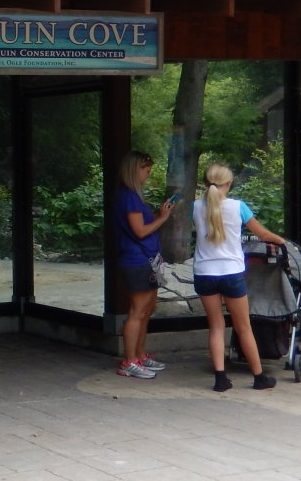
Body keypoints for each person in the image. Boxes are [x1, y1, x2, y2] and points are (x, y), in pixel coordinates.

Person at [191, 163, 284, 392]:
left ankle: (220, 379)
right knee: (243, 327)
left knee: (216, 326)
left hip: (204, 273)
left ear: (206, 183)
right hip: (231, 272)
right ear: (229, 184)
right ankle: (259, 377)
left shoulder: (195, 207)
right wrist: (281, 241)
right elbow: (261, 234)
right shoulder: (238, 207)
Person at [112, 150, 176, 378]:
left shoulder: (132, 196)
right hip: (137, 259)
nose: (148, 174)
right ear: (134, 170)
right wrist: (162, 218)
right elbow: (139, 231)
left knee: (147, 309)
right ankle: (129, 361)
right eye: (146, 170)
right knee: (138, 311)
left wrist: (159, 214)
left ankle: (140, 355)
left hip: (147, 259)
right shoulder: (129, 196)